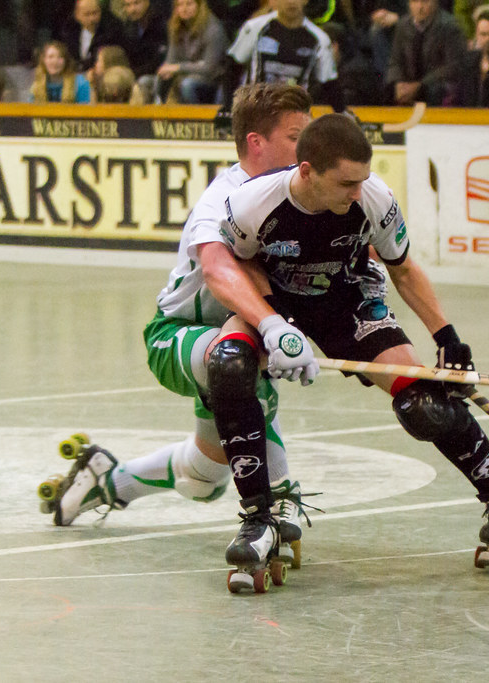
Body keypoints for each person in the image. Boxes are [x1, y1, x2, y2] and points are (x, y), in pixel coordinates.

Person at [217, 112, 489, 576]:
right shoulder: (251, 205)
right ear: (307, 172)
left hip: (348, 300)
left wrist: (447, 337)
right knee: (229, 366)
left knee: (423, 404)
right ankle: (259, 521)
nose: (357, 192)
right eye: (346, 184)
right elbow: (238, 266)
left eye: (362, 180)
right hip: (277, 300)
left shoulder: (374, 198)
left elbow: (402, 268)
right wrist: (273, 323)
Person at [43, 84, 319, 571]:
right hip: (177, 337)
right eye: (297, 136)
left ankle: (105, 478)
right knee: (243, 365)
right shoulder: (226, 199)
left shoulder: (288, 193)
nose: (308, 149)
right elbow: (220, 271)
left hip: (230, 336)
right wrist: (274, 325)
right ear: (257, 143)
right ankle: (278, 499)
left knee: (203, 474)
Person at [220, 0, 346, 111]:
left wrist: (342, 113)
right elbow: (232, 68)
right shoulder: (254, 28)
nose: (291, 2)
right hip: (256, 110)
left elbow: (329, 83)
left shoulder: (319, 39)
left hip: (295, 112)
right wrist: (228, 107)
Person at [385, 0, 468, 105]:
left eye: (425, 2)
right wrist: (398, 82)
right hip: (409, 83)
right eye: (415, 2)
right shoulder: (403, 25)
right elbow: (395, 59)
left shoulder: (450, 27)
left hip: (435, 84)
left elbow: (453, 66)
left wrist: (420, 85)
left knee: (436, 91)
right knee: (387, 86)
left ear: (435, 3)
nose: (420, 7)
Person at [155, 0, 227, 103]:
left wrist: (178, 68)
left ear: (199, 6)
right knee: (155, 79)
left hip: (214, 79)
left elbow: (209, 68)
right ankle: (158, 116)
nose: (184, 9)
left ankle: (195, 118)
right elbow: (171, 60)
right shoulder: (176, 27)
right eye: (180, 5)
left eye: (189, 4)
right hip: (188, 73)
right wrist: (166, 71)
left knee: (187, 84)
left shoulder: (213, 29)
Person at [56, 0, 124, 74]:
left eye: (95, 13)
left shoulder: (111, 32)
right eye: (87, 14)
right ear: (77, 15)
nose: (92, 18)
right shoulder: (69, 31)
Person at [119, 0, 169, 96]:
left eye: (136, 3)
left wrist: (133, 74)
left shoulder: (160, 23)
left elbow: (159, 59)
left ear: (147, 2)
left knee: (143, 82)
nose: (132, 9)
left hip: (156, 74)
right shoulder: (128, 26)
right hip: (134, 73)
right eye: (128, 5)